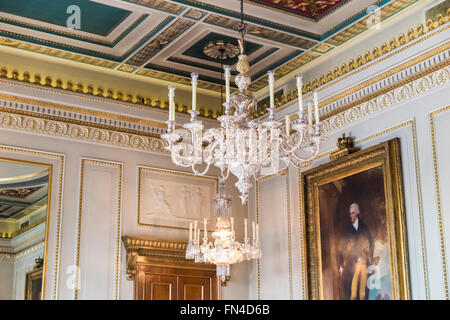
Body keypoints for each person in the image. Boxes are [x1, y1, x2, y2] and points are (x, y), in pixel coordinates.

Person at [338, 203, 373, 300]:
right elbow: (342, 247)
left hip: (364, 263)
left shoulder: (364, 228)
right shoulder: (346, 230)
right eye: (350, 214)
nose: (351, 216)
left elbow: (370, 243)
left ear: (357, 213)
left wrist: (369, 257)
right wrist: (341, 265)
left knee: (363, 292)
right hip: (351, 264)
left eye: (353, 213)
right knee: (351, 292)